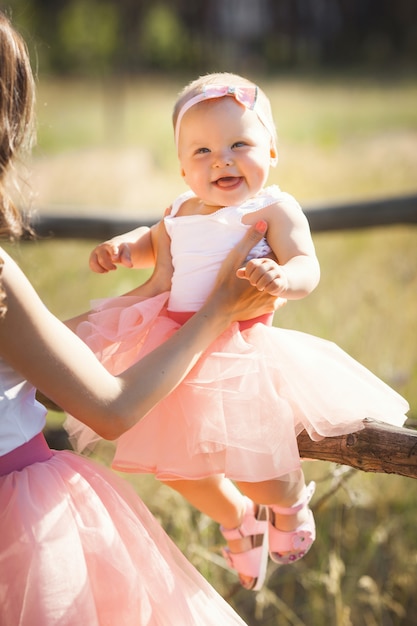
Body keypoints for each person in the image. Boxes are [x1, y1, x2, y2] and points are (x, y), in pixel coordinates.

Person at [68, 72, 409, 592]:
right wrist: (123, 249)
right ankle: (237, 519)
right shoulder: (180, 209)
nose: (221, 159)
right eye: (201, 150)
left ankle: (288, 501)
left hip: (242, 347)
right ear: (182, 167)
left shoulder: (272, 209)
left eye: (238, 144)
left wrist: (284, 276)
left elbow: (307, 266)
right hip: (173, 349)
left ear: (272, 151)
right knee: (173, 465)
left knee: (256, 463)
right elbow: (154, 244)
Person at [0, 15, 281, 626]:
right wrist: (217, 311)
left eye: (237, 146)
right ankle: (252, 516)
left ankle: (266, 514)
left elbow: (24, 351)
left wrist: (151, 291)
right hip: (16, 516)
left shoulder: (269, 210)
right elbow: (111, 407)